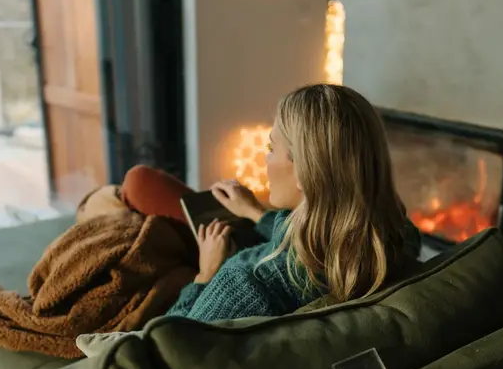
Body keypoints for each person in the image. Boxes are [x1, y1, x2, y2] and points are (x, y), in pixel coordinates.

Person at [120, 83, 422, 322]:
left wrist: (205, 273)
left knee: (133, 188)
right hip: (266, 239)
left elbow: (165, 344)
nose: (264, 158)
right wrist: (256, 214)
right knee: (137, 187)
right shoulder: (396, 239)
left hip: (204, 270)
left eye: (271, 147)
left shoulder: (246, 284)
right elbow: (311, 245)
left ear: (306, 173)